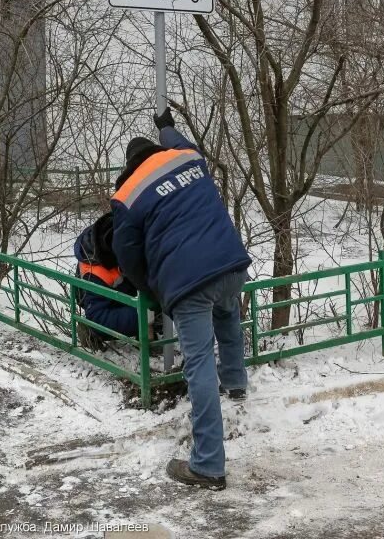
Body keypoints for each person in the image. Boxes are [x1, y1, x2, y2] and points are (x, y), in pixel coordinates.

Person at [111, 107, 251, 490]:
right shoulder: (188, 157)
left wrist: (151, 292)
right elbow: (176, 139)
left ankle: (207, 465)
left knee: (199, 363)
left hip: (188, 282)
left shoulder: (126, 195)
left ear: (130, 165)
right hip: (232, 263)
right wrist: (166, 125)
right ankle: (237, 382)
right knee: (227, 315)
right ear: (155, 152)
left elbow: (126, 256)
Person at [74, 212, 140, 339]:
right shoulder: (95, 272)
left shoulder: (127, 232)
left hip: (127, 295)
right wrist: (143, 316)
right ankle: (90, 333)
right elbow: (98, 318)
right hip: (109, 307)